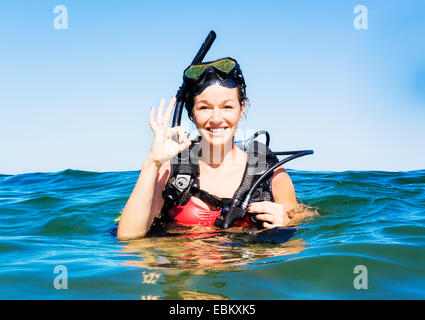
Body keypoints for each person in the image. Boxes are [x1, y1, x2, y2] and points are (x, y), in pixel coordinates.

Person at [117, 57, 312, 241]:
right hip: (187, 270)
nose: (216, 118)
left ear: (241, 108)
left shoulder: (271, 175)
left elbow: (300, 242)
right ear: (192, 114)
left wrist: (287, 225)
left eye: (227, 107)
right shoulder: (171, 172)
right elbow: (128, 238)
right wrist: (152, 162)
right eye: (204, 108)